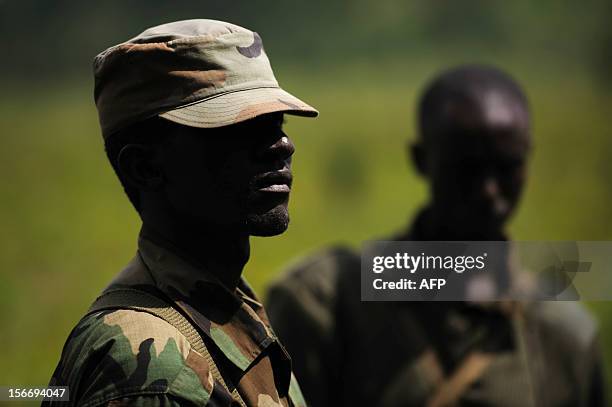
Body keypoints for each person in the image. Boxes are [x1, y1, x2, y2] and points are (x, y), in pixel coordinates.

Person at [266, 65, 606, 406]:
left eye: (506, 166)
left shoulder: (564, 335)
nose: (489, 190)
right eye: (467, 167)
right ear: (421, 159)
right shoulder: (325, 304)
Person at [46, 19, 318, 407]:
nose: (282, 146)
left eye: (277, 123)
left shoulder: (225, 307)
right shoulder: (150, 367)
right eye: (237, 130)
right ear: (145, 167)